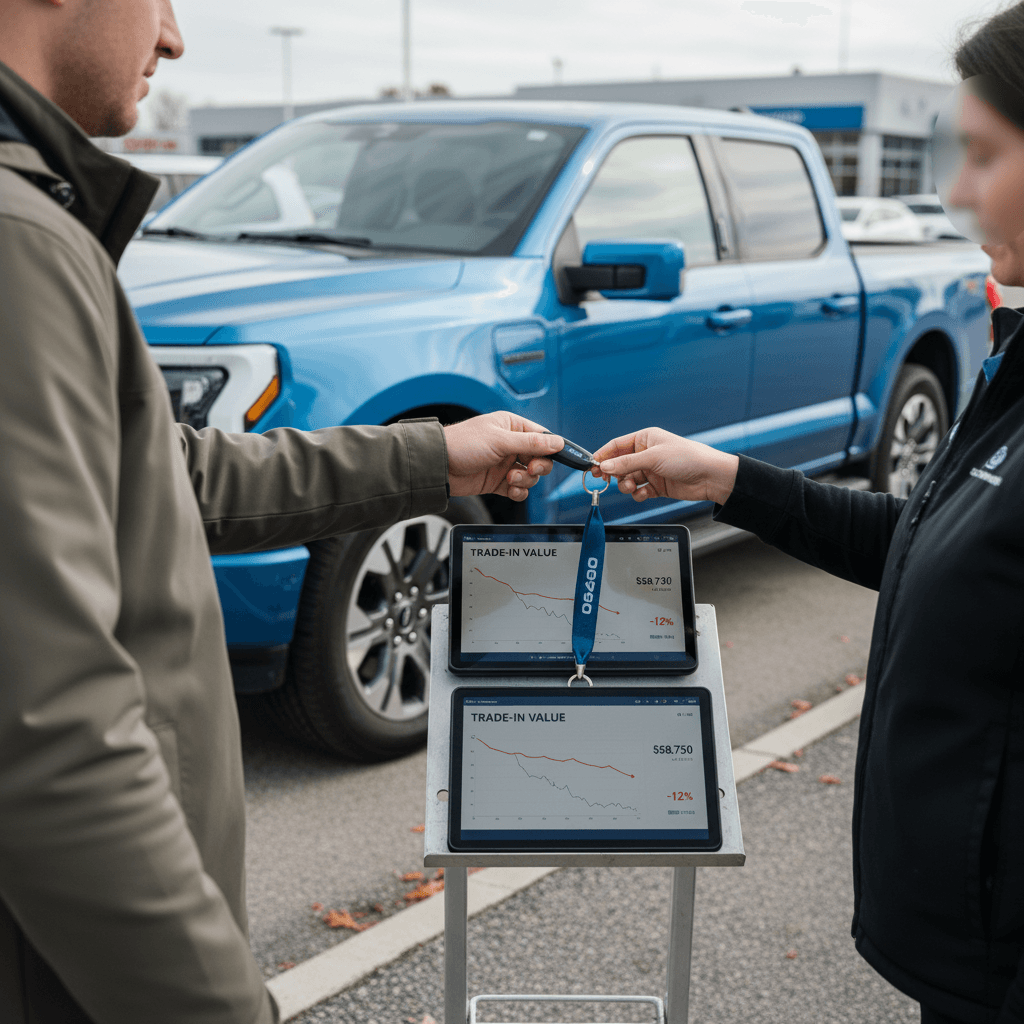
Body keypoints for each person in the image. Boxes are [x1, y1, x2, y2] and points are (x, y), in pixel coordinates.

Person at [0, 2, 565, 1021]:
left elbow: (171, 476)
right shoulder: (19, 242)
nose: (172, 38)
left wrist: (434, 456)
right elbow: (46, 726)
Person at [593, 9, 1024, 1022]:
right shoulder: (1012, 362)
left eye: (982, 155)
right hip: (962, 949)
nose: (954, 192)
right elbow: (927, 546)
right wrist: (727, 480)